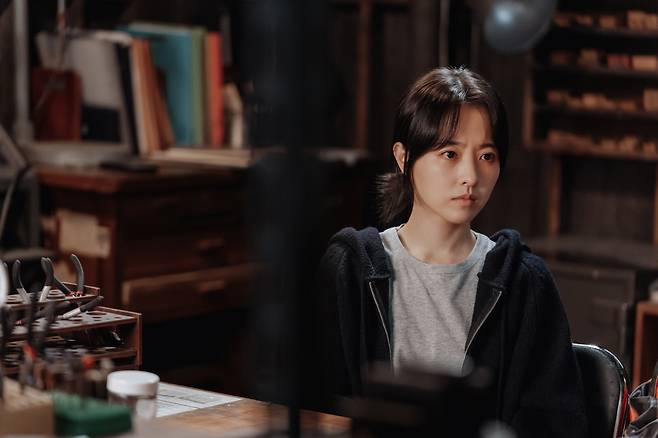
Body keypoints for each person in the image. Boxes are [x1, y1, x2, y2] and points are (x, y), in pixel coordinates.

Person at [316, 67, 588, 437]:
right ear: (403, 157)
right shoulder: (349, 269)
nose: (470, 176)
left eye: (487, 156)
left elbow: (555, 424)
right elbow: (315, 409)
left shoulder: (524, 282)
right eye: (449, 153)